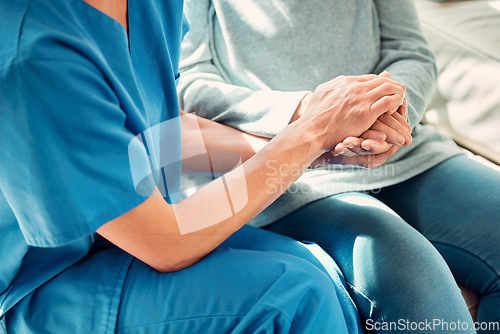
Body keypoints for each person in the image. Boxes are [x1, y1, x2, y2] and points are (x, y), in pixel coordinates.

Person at [0, 0, 421, 333]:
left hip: (132, 231)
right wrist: (309, 134)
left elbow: (159, 132)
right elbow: (166, 243)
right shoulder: (34, 54)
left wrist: (317, 151)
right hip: (41, 284)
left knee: (319, 267)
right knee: (291, 297)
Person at [178, 0, 500, 333]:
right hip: (289, 169)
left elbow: (409, 51)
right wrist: (314, 114)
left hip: (404, 150)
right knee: (406, 269)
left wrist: (390, 115)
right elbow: (190, 85)